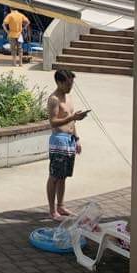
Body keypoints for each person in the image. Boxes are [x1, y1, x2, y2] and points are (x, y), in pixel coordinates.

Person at [46, 69, 88, 221]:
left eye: (72, 84)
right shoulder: (54, 99)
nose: (70, 87)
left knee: (63, 176)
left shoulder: (68, 97)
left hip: (69, 140)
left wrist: (76, 138)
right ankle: (52, 210)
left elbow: (71, 120)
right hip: (59, 140)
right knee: (55, 176)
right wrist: (73, 117)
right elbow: (53, 121)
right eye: (68, 84)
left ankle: (61, 206)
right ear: (59, 82)